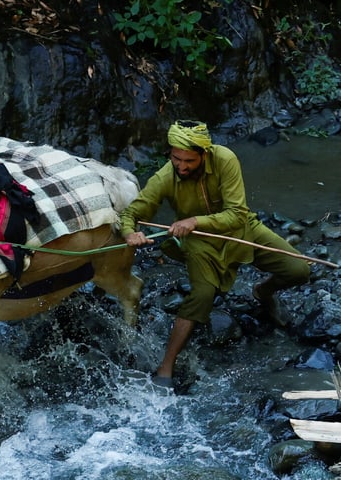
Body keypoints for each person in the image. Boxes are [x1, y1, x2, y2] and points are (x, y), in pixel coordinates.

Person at [120, 120, 310, 388]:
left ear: (204, 154)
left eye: (189, 161)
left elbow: (236, 214)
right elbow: (131, 213)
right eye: (176, 158)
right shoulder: (165, 176)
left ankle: (263, 293)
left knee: (299, 270)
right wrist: (130, 232)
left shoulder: (225, 159)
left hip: (242, 230)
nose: (182, 167)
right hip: (198, 243)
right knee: (203, 295)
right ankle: (166, 367)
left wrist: (195, 220)